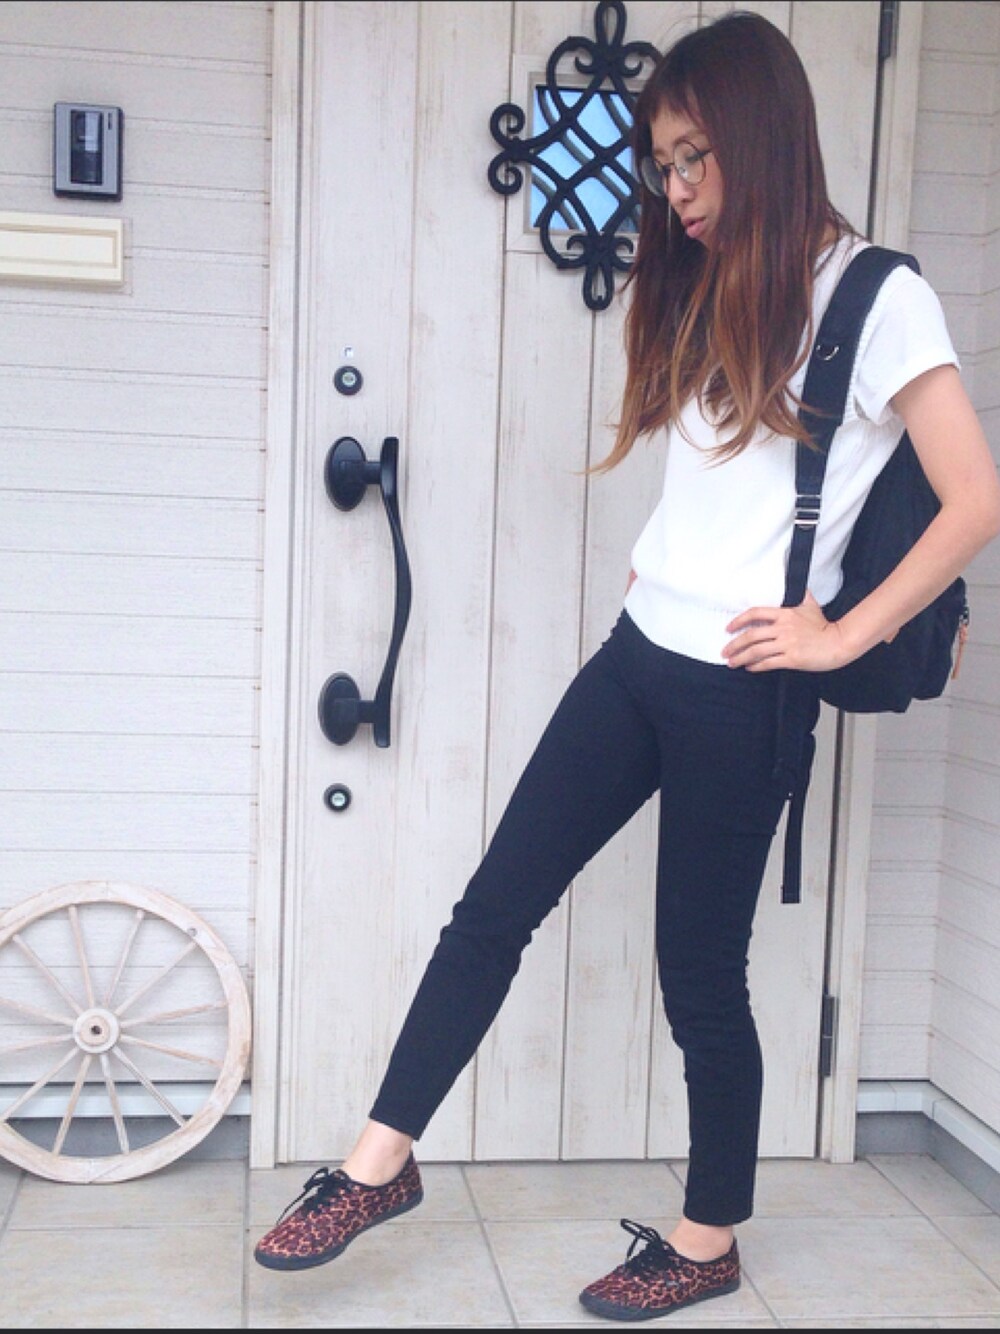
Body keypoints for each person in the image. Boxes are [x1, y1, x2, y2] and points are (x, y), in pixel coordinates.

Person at [254, 10, 1000, 1321]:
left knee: (697, 975)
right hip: (639, 657)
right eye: (664, 164)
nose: (678, 188)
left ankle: (707, 1238)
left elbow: (974, 497)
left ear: (764, 135)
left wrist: (841, 634)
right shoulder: (712, 274)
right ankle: (379, 1161)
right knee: (494, 905)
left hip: (747, 689)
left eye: (696, 156)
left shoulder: (880, 296)